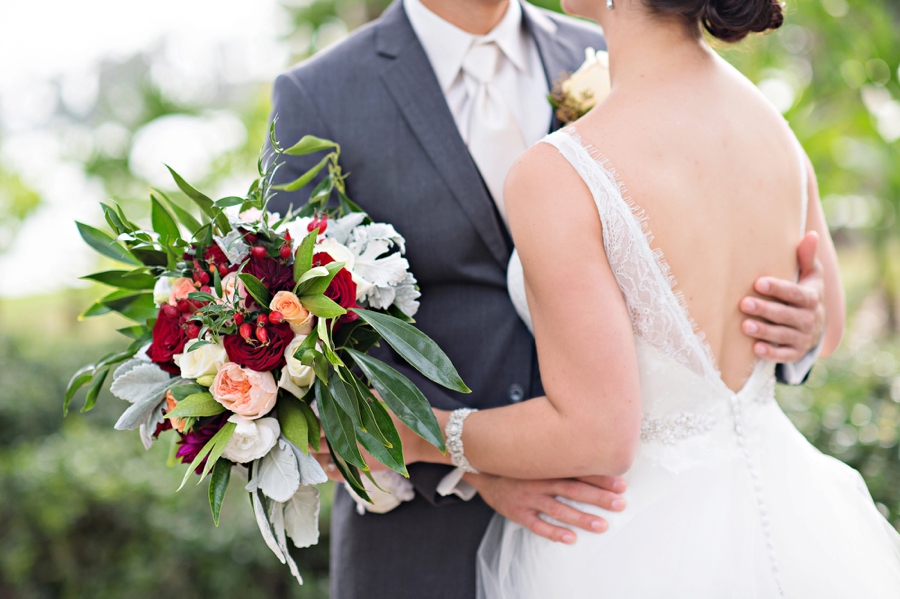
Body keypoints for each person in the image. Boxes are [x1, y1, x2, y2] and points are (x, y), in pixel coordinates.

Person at [268, 1, 827, 597]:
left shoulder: (613, 46)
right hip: (423, 543)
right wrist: (468, 470)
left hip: (630, 527)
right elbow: (299, 348)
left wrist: (801, 318)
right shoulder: (320, 93)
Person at [389, 0, 900, 596]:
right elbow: (827, 326)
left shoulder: (558, 173)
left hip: (638, 548)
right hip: (802, 523)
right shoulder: (772, 126)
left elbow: (600, 435)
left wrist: (425, 434)